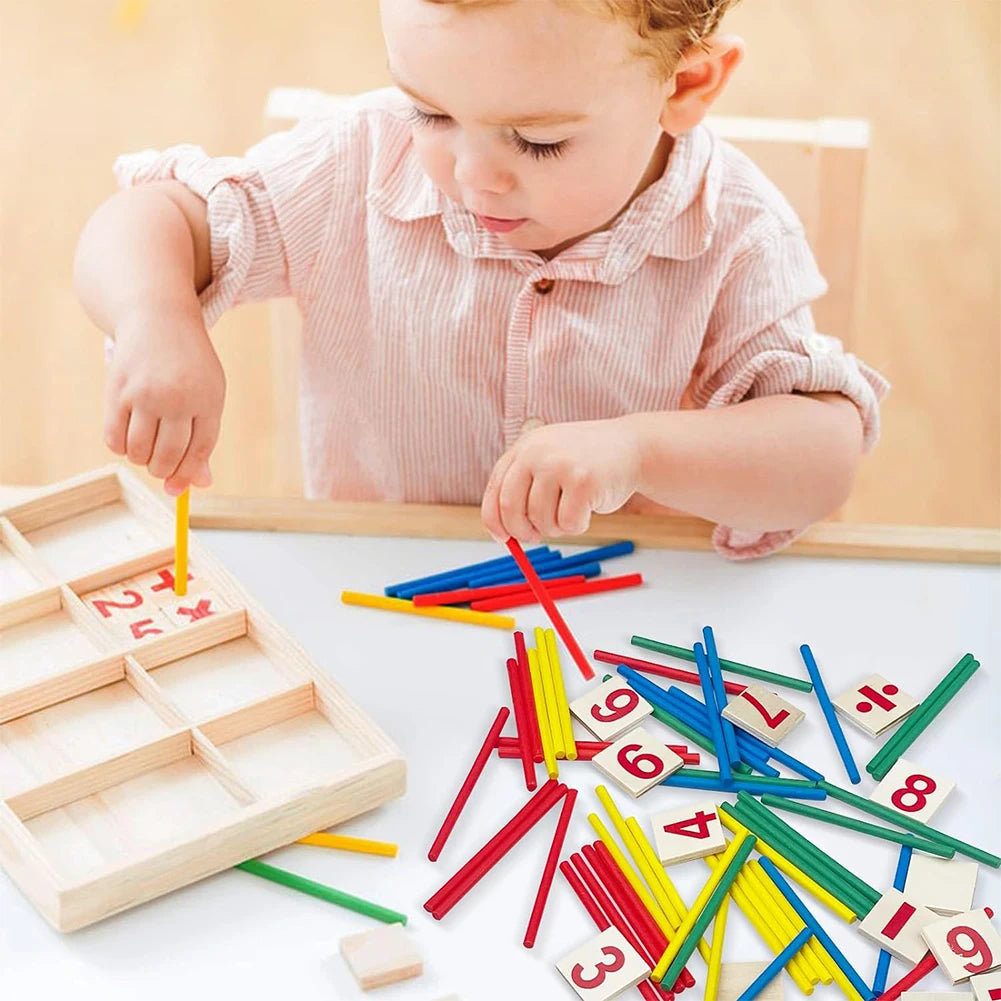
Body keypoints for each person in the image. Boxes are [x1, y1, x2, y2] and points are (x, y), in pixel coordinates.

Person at [74, 0, 888, 559]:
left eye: (535, 141)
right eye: (429, 110)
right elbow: (150, 218)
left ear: (683, 86)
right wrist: (155, 316)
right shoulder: (356, 156)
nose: (470, 175)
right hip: (381, 587)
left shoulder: (736, 224)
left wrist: (636, 449)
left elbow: (821, 455)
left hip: (625, 613)